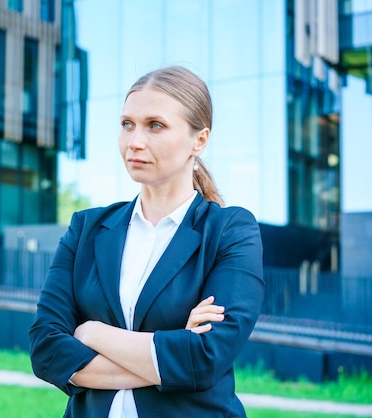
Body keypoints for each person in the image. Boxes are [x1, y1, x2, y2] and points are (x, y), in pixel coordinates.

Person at [28, 65, 265, 417]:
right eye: (127, 124)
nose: (135, 141)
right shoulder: (86, 228)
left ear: (199, 140)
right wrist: (172, 350)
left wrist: (91, 332)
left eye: (155, 125)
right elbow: (46, 349)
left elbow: (205, 357)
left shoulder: (230, 231)